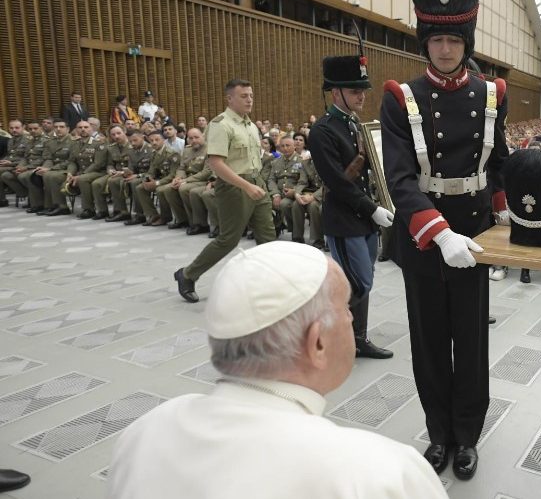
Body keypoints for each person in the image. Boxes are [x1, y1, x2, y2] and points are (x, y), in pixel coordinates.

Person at [110, 242, 448, 498]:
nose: (351, 319)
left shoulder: (146, 431)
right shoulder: (380, 473)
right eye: (346, 308)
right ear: (317, 342)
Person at [381, 0, 509, 480]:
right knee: (429, 341)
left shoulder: (491, 95)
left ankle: (467, 436)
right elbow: (400, 179)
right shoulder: (401, 98)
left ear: (467, 42)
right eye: (436, 39)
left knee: (471, 342)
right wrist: (438, 233)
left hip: (475, 235)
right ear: (425, 41)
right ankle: (438, 432)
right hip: (425, 240)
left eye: (455, 40)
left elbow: (500, 166)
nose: (446, 48)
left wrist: (512, 224)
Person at [309, 53, 395, 359]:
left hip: (364, 216)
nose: (361, 95)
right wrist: (371, 208)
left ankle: (358, 338)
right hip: (345, 218)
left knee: (362, 280)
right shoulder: (323, 131)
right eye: (354, 90)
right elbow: (337, 180)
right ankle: (320, 331)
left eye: (362, 90)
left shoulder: (356, 125)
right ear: (336, 92)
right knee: (359, 281)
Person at [174, 79, 277, 303]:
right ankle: (187, 274)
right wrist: (247, 186)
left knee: (268, 238)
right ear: (229, 98)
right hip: (234, 187)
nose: (249, 99)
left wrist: (258, 184)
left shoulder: (250, 125)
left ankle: (267, 285)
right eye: (243, 96)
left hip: (255, 182)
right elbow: (216, 164)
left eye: (251, 95)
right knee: (228, 240)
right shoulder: (221, 124)